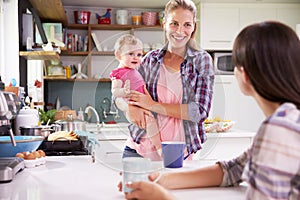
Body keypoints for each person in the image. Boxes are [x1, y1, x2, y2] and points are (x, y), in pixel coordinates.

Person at [121, 21, 300, 200]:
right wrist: (160, 180)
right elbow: (232, 170)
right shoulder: (289, 122)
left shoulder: (279, 131)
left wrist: (161, 197)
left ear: (243, 75)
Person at [123, 0, 214, 160]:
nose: (180, 31)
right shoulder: (150, 59)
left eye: (187, 24)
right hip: (138, 150)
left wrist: (152, 105)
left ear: (194, 27)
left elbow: (199, 111)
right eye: (174, 23)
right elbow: (125, 93)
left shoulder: (201, 60)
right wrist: (128, 108)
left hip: (179, 153)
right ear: (164, 24)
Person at [110, 34, 162, 160]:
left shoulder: (135, 69)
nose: (136, 58)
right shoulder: (118, 73)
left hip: (141, 103)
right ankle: (160, 149)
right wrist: (124, 92)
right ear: (118, 55)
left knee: (151, 122)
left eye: (139, 55)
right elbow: (115, 92)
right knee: (150, 122)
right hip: (133, 104)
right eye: (130, 54)